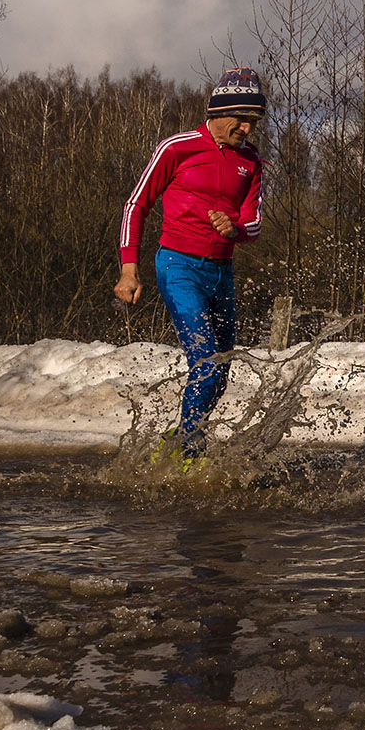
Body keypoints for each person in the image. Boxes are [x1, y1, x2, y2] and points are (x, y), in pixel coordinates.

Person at [113, 67, 266, 461]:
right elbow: (136, 205)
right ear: (220, 111)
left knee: (222, 372)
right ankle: (189, 453)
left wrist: (236, 228)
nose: (247, 129)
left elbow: (254, 221)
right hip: (178, 266)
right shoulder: (176, 148)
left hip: (221, 273)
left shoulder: (251, 163)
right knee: (207, 364)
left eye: (253, 122)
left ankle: (180, 436)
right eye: (242, 120)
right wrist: (129, 268)